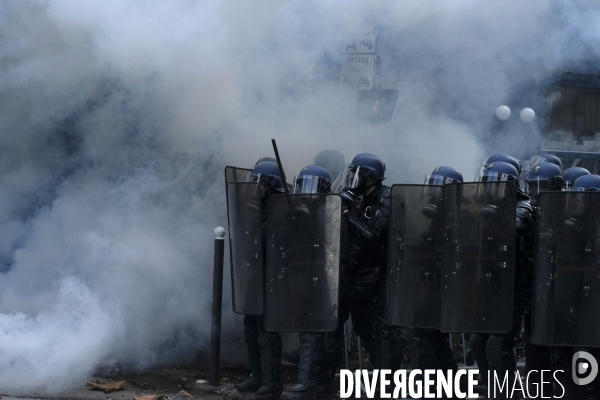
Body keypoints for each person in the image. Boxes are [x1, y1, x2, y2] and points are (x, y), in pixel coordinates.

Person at [326, 153, 401, 375]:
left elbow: (373, 234)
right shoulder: (359, 197)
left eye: (356, 173)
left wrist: (348, 213)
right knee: (356, 325)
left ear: (370, 177)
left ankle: (388, 380)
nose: (352, 177)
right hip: (358, 273)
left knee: (380, 329)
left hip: (380, 274)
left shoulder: (386, 198)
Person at [468, 161, 536, 399]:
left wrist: (485, 216)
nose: (487, 189)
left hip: (515, 291)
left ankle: (508, 395)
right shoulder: (493, 207)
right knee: (477, 340)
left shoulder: (523, 207)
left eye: (492, 184)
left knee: (497, 346)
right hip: (493, 287)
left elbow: (511, 232)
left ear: (508, 185)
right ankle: (493, 392)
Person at [405, 166, 462, 390]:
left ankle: (426, 388)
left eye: (438, 189)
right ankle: (449, 389)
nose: (432, 194)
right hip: (441, 284)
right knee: (434, 335)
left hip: (451, 286)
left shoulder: (457, 216)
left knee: (419, 330)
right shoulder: (442, 214)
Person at [282, 165, 336, 400]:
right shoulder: (302, 212)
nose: (306, 192)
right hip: (311, 280)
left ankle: (308, 384)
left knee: (316, 331)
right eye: (303, 186)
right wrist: (292, 216)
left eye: (311, 186)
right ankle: (317, 384)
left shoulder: (333, 211)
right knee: (311, 329)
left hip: (331, 282)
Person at [236, 161, 285, 400]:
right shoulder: (262, 204)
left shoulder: (283, 206)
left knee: (267, 333)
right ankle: (257, 376)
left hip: (273, 277)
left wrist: (254, 215)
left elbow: (268, 237)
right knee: (250, 329)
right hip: (257, 274)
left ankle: (271, 383)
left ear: (271, 184)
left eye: (260, 182)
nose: (256, 186)